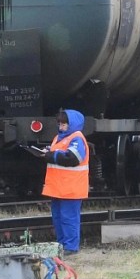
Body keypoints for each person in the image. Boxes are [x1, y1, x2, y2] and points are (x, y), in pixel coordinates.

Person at [41, 109, 89, 256]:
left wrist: (51, 155)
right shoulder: (59, 137)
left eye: (64, 124)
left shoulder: (77, 138)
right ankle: (62, 245)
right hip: (58, 187)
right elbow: (60, 152)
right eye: (60, 124)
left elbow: (72, 159)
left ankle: (70, 247)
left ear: (72, 124)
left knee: (68, 219)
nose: (61, 127)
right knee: (59, 218)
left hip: (70, 188)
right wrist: (49, 151)